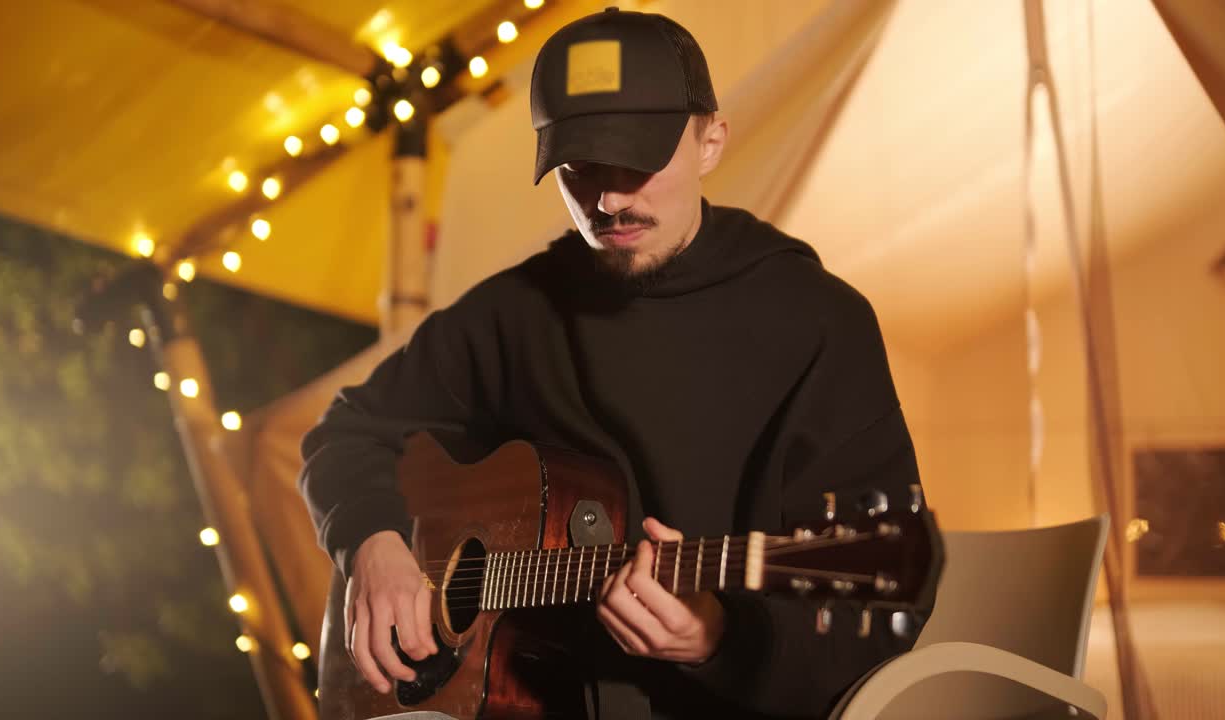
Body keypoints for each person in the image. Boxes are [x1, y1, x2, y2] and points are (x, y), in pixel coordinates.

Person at [299, 7, 930, 719]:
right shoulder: (518, 311)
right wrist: (372, 545)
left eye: (638, 158)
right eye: (580, 167)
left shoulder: (819, 322)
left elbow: (880, 616)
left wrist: (719, 641)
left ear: (710, 140)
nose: (609, 198)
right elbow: (345, 430)